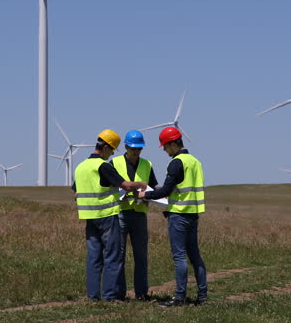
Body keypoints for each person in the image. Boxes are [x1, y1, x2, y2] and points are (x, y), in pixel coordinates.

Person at [72, 129, 147, 302]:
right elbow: (125, 185)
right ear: (105, 147)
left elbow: (76, 194)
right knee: (113, 256)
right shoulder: (103, 166)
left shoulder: (81, 167)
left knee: (93, 258)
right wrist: (140, 184)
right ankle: (110, 296)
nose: (112, 153)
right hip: (107, 216)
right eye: (112, 149)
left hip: (89, 217)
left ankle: (93, 296)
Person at [138, 126, 207, 307]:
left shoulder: (176, 163)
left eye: (165, 146)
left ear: (173, 144)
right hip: (193, 214)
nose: (165, 150)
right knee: (195, 256)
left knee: (179, 257)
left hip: (179, 215)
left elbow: (166, 190)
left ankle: (179, 297)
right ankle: (202, 296)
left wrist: (145, 195)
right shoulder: (195, 162)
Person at [110, 130, 158, 300]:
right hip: (120, 213)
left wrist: (147, 196)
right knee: (119, 255)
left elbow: (153, 188)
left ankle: (142, 293)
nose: (136, 151)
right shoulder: (114, 163)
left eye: (139, 148)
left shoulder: (147, 164)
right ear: (126, 147)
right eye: (133, 148)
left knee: (141, 256)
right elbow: (108, 186)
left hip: (139, 214)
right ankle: (119, 294)